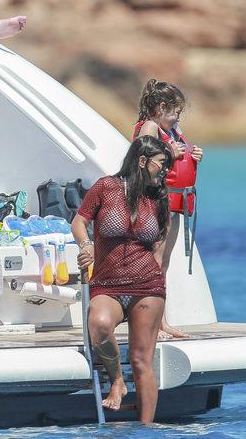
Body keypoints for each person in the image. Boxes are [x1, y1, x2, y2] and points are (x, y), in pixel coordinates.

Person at [72, 136, 173, 423]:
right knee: (99, 324)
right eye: (161, 164)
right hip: (108, 284)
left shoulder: (159, 197)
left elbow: (159, 252)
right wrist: (86, 245)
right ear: (142, 161)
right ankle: (117, 379)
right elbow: (79, 221)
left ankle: (147, 429)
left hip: (147, 285)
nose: (165, 171)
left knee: (142, 361)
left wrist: (164, 311)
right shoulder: (106, 187)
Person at [134, 79, 204, 340]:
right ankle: (151, 323)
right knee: (154, 261)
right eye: (175, 112)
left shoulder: (172, 130)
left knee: (162, 263)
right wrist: (169, 153)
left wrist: (192, 156)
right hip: (158, 202)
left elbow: (174, 158)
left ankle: (162, 322)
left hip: (174, 202)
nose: (177, 118)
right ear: (161, 107)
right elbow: (141, 160)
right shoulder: (150, 127)